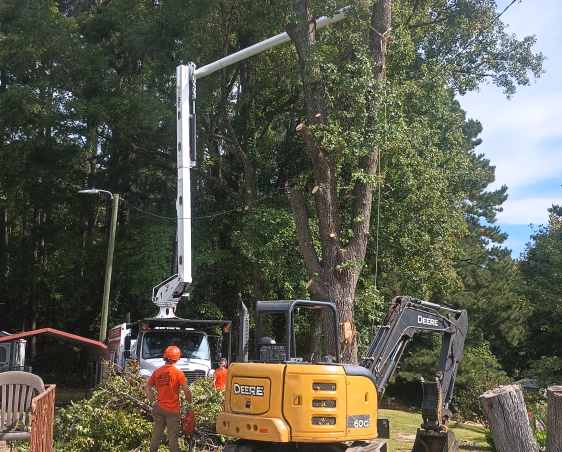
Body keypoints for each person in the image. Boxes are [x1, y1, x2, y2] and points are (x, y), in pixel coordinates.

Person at [144, 345, 192, 452]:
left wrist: (153, 403)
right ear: (176, 358)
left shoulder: (157, 372)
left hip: (159, 407)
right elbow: (187, 391)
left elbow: (147, 388)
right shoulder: (178, 373)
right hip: (172, 409)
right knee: (172, 437)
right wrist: (190, 404)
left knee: (156, 436)